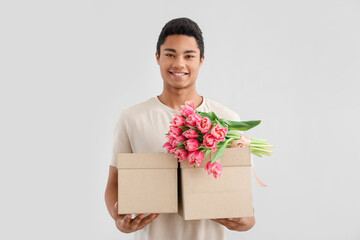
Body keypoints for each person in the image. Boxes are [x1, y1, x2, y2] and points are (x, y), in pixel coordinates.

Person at [105, 17, 255, 239]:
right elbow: (114, 183)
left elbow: (241, 196)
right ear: (157, 57)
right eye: (170, 54)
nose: (179, 64)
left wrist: (246, 221)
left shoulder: (226, 119)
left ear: (201, 60)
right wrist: (118, 219)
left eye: (189, 56)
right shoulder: (132, 119)